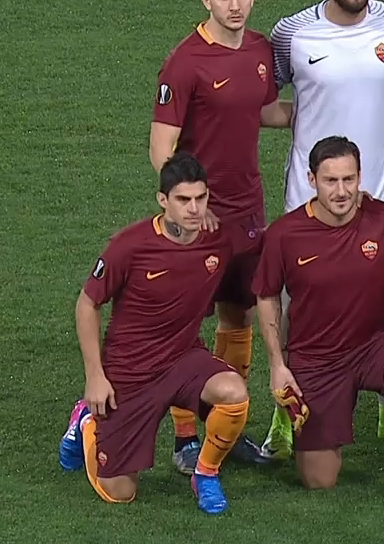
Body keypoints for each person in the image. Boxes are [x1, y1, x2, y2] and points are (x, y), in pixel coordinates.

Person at [262, 0, 384, 456]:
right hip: (307, 196)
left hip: (378, 190)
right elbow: (268, 98)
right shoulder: (292, 33)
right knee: (296, 308)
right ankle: (286, 411)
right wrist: (306, 117)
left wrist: (374, 111)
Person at [250, 136, 384, 511]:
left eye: (349, 179)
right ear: (311, 180)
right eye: (330, 181)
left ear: (360, 177)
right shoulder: (285, 234)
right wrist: (277, 365)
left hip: (373, 344)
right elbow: (267, 297)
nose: (341, 191)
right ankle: (295, 417)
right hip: (315, 359)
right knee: (320, 479)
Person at [57, 152, 252, 515]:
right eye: (183, 199)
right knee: (119, 492)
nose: (193, 209)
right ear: (163, 200)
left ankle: (205, 474)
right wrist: (95, 376)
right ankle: (86, 421)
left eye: (200, 198)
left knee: (234, 393)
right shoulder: (130, 245)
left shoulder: (220, 238)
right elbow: (87, 304)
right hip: (130, 371)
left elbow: (270, 246)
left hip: (183, 358)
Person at [149, 0, 282, 471]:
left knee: (238, 311)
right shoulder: (185, 62)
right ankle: (186, 439)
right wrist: (191, 205)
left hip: (247, 210)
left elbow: (264, 111)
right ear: (206, 0)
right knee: (184, 322)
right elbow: (161, 149)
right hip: (198, 218)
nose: (234, 5)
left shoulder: (259, 49)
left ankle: (226, 428)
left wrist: (330, 109)